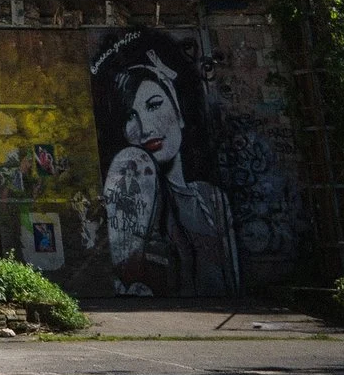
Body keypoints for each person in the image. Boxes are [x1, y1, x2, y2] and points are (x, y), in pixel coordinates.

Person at [94, 33, 237, 295]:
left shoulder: (211, 198)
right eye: (130, 116)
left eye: (154, 105)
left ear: (178, 110)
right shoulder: (126, 203)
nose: (146, 129)